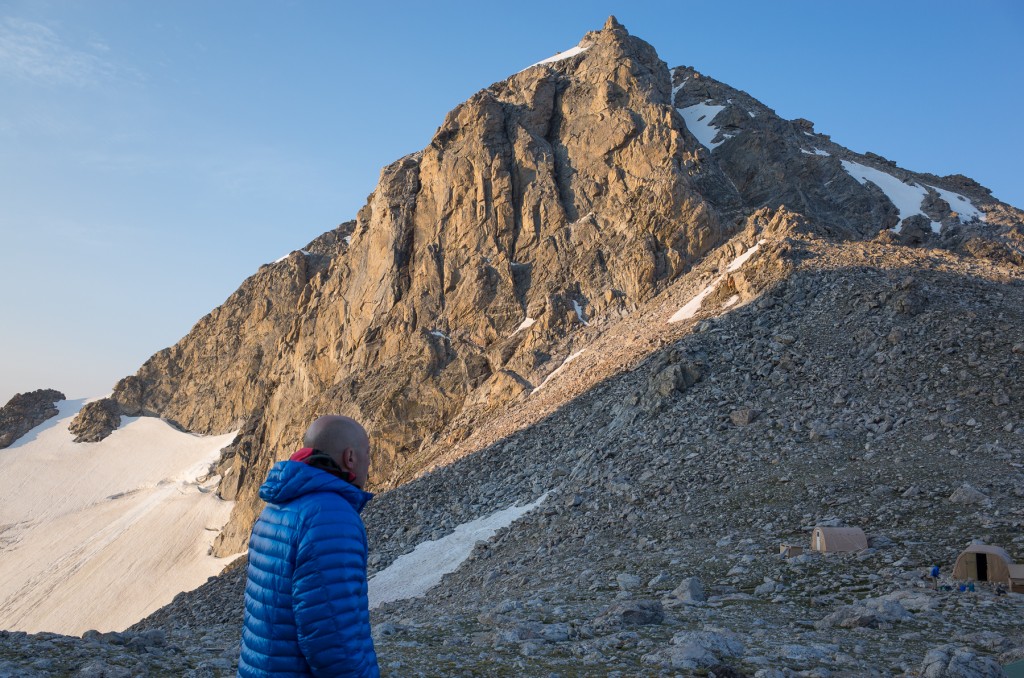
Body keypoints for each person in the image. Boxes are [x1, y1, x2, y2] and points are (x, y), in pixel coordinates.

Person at [238, 415, 379, 677]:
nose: (370, 461)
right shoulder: (331, 517)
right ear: (350, 457)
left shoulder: (276, 507)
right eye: (368, 453)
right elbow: (330, 636)